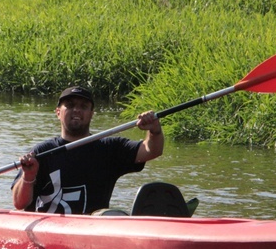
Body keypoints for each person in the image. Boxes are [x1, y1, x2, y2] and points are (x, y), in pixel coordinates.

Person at [12, 86, 164, 214]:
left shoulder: (110, 148)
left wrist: (154, 130)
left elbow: (152, 151)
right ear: (58, 112)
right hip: (50, 230)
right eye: (70, 105)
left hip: (94, 230)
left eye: (83, 106)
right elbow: (19, 204)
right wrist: (28, 176)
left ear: (92, 114)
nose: (77, 110)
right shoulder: (42, 152)